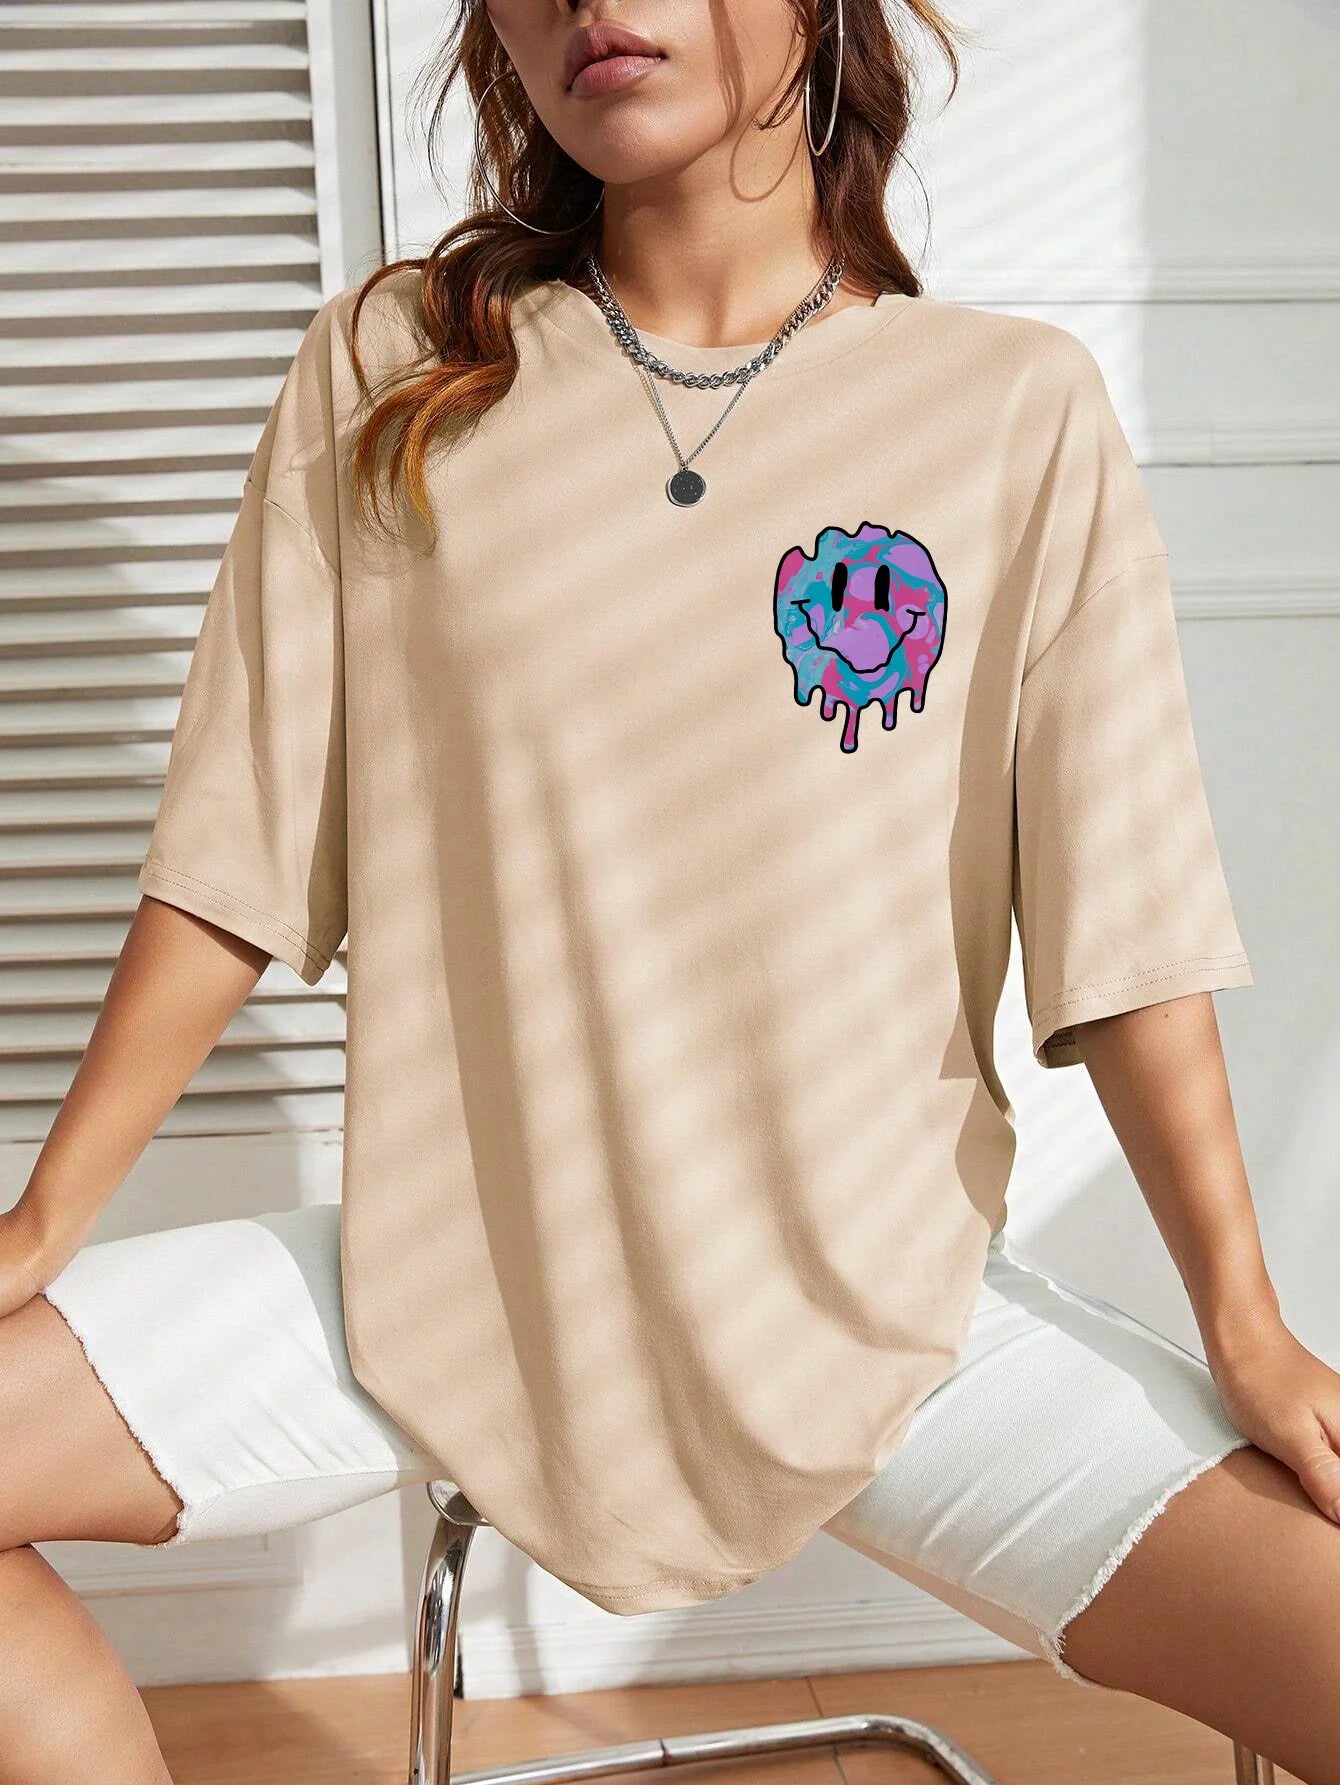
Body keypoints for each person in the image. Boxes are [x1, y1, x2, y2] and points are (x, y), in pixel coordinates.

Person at [2, 2, 1337, 1779]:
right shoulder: (394, 369)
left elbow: (1129, 918)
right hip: (452, 1290)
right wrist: (40, 1223)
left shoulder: (1012, 411)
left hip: (885, 1320)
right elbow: (233, 855)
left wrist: (1245, 1321)